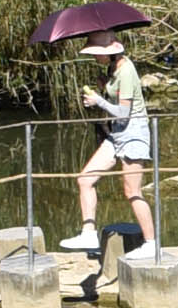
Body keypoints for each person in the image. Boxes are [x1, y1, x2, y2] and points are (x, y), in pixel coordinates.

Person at [63, 33, 159, 257]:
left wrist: (100, 101)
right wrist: (104, 88)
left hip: (134, 133)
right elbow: (116, 106)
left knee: (132, 191)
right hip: (116, 134)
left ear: (110, 52)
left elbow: (124, 113)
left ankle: (150, 243)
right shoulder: (113, 69)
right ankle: (88, 233)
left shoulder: (126, 70)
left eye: (96, 52)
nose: (94, 56)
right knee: (85, 179)